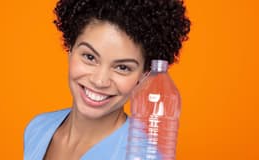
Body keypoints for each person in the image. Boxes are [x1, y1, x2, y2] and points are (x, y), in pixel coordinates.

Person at [24, 0, 190, 159]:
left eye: (122, 67)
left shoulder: (143, 155)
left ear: (144, 75)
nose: (99, 81)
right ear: (70, 49)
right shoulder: (38, 128)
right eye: (89, 57)